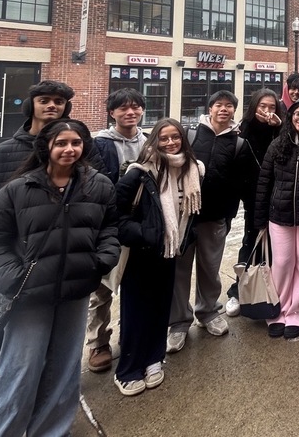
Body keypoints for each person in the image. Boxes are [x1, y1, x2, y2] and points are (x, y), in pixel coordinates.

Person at [0, 119, 119, 436]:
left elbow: (109, 228)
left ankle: (51, 430)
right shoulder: (20, 188)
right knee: (19, 371)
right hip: (29, 297)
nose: (69, 149)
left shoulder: (98, 185)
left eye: (75, 143)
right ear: (46, 147)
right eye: (61, 143)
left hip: (76, 291)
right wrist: (16, 279)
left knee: (64, 370)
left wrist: (100, 261)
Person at [0, 79, 77, 410]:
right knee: (4, 324)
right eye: (45, 100)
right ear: (32, 105)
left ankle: (46, 387)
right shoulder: (4, 152)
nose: (52, 106)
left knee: (54, 330)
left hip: (62, 256)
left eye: (58, 101)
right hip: (17, 259)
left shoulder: (74, 145)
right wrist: (2, 242)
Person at [113, 118, 202, 396]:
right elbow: (115, 215)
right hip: (141, 252)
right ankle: (127, 369)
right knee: (136, 310)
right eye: (164, 138)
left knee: (161, 306)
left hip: (170, 250)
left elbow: (191, 212)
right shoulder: (138, 173)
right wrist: (144, 233)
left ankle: (153, 358)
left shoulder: (193, 170)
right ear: (154, 141)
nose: (170, 143)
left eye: (175, 137)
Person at [168, 91, 255, 352]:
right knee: (179, 271)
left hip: (216, 217)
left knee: (210, 268)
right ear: (210, 108)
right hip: (183, 216)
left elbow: (248, 181)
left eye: (229, 106)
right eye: (219, 105)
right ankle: (179, 323)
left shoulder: (239, 143)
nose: (224, 110)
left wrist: (236, 213)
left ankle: (208, 313)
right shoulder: (190, 135)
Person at [254, 97, 299, 339]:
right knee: (283, 265)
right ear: (291, 116)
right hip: (279, 217)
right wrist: (260, 219)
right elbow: (264, 182)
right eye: (298, 114)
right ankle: (278, 311)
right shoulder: (278, 144)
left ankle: (298, 313)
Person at [87, 88, 147, 374]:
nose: (130, 112)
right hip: (107, 223)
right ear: (112, 112)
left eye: (135, 107)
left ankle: (131, 332)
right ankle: (98, 342)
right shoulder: (99, 144)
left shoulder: (148, 142)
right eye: (123, 108)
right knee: (102, 287)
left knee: (135, 283)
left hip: (139, 223)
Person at [233, 88, 285, 304]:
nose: (267, 111)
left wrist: (279, 128)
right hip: (254, 197)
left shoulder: (281, 130)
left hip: (279, 195)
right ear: (254, 107)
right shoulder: (242, 131)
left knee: (276, 244)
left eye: (272, 107)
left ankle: (273, 287)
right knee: (251, 239)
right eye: (262, 106)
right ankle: (240, 290)